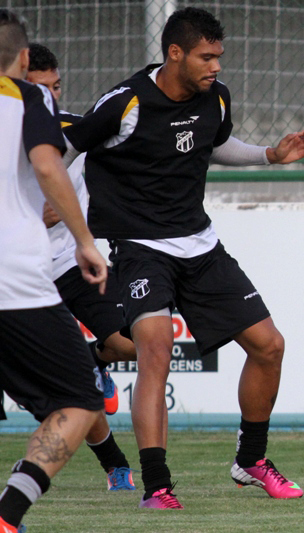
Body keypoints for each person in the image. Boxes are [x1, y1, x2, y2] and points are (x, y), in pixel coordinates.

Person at [62, 7, 304, 510]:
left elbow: (217, 145)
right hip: (140, 248)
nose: (216, 66)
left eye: (218, 56)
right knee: (155, 349)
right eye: (206, 56)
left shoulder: (216, 98)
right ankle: (157, 487)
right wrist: (52, 203)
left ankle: (251, 460)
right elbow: (69, 145)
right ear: (175, 53)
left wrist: (270, 154)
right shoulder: (127, 101)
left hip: (200, 245)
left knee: (269, 346)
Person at [0, 10, 109, 533]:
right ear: (24, 59)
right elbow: (47, 165)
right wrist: (84, 241)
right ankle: (8, 514)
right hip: (12, 280)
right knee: (80, 399)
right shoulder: (30, 97)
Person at [26, 42, 137, 492]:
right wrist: (34, 215)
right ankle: (115, 466)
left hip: (75, 261)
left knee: (134, 344)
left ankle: (95, 362)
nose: (50, 99)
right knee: (71, 392)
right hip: (24, 276)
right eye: (39, 90)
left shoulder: (78, 131)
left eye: (56, 87)